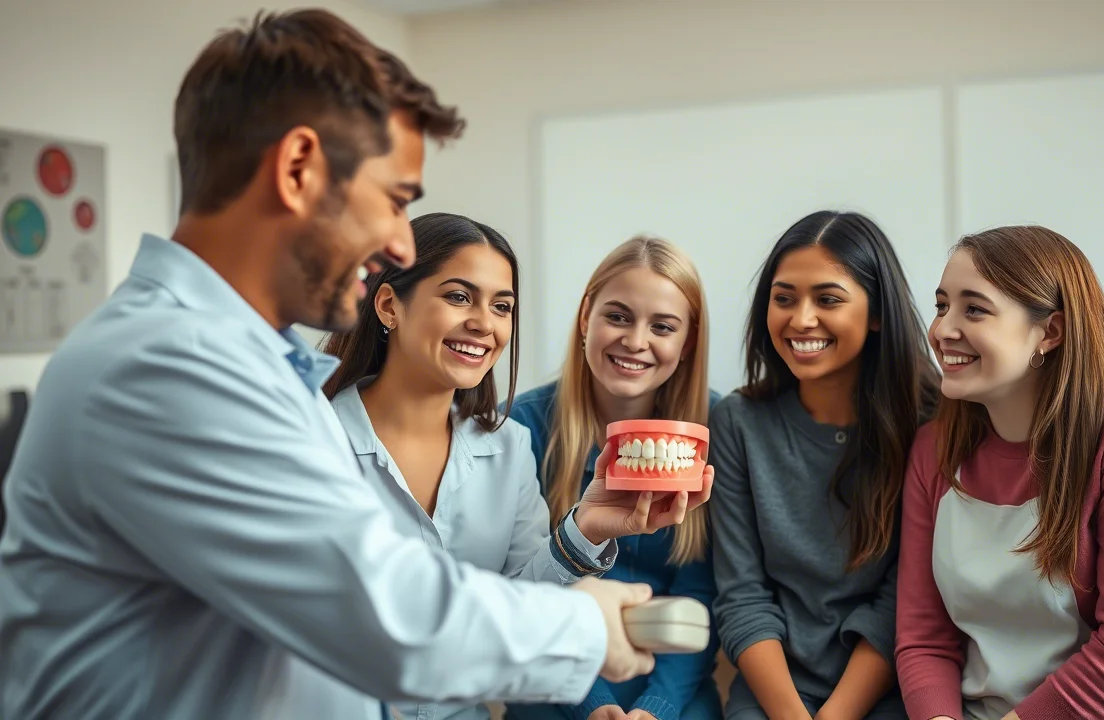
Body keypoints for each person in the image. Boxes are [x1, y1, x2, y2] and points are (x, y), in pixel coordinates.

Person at [0, 9, 682, 719]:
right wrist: (588, 626)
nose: (399, 243)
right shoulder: (165, 366)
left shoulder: (256, 365)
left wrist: (585, 543)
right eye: (393, 201)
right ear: (297, 170)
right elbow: (381, 609)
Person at [322, 217, 713, 720]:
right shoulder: (313, 437)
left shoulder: (508, 447)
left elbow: (524, 607)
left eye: (501, 307)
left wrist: (585, 528)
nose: (484, 323)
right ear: (388, 305)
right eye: (459, 297)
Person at [895, 226, 1104, 719]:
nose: (941, 330)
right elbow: (924, 638)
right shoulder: (933, 449)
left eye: (974, 308)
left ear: (1050, 332)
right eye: (942, 306)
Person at [709, 211, 939, 720]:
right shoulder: (737, 422)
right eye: (784, 297)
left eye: (828, 299)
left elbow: (903, 601)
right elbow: (742, 595)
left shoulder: (934, 424)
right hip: (773, 696)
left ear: (877, 313)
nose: (801, 319)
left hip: (890, 691)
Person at [504, 236, 723, 720]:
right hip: (552, 693)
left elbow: (701, 593)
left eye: (662, 326)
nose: (635, 340)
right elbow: (521, 593)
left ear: (688, 342)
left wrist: (657, 708)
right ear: (586, 317)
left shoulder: (721, 428)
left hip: (676, 696)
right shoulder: (518, 428)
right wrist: (594, 706)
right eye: (618, 316)